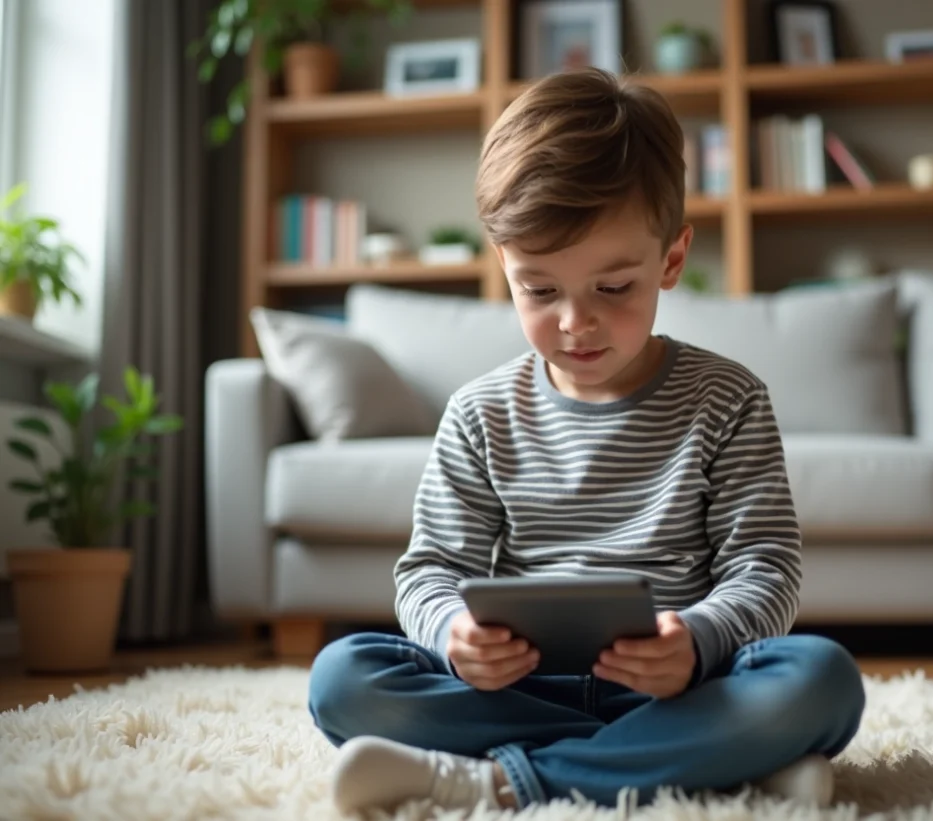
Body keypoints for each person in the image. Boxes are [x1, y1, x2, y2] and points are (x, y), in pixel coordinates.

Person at [307, 67, 866, 816]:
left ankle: (501, 781)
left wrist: (697, 640)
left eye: (612, 288)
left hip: (686, 683)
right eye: (539, 291)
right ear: (504, 267)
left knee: (821, 680)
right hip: (518, 687)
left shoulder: (727, 400)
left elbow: (764, 570)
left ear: (670, 261)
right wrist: (455, 634)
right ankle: (713, 761)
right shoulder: (478, 414)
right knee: (342, 675)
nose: (576, 322)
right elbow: (431, 570)